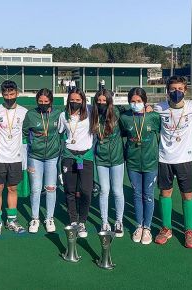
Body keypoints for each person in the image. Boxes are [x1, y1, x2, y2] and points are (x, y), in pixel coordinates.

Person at [154, 76, 192, 248]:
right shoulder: (159, 107)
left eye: (180, 89)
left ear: (185, 90)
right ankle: (166, 228)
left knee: (187, 194)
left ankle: (189, 231)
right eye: (173, 89)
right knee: (165, 193)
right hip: (164, 158)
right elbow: (144, 109)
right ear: (167, 90)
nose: (177, 92)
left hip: (185, 158)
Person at [119, 87, 161, 244]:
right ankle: (139, 225)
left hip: (151, 163)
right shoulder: (125, 118)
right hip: (132, 163)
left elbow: (163, 135)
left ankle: (148, 228)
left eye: (139, 101)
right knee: (137, 194)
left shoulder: (154, 117)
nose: (135, 104)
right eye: (132, 101)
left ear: (145, 102)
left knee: (148, 195)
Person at [0, 80, 28, 237]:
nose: (9, 97)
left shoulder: (24, 112)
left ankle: (11, 220)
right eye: (6, 94)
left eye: (12, 94)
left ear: (17, 93)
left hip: (15, 157)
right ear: (2, 95)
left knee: (12, 189)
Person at [23, 88, 61, 233]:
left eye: (46, 101)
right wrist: (32, 145)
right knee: (36, 188)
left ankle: (49, 217)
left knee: (51, 188)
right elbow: (25, 133)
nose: (43, 104)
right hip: (35, 157)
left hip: (52, 157)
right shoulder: (31, 114)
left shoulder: (58, 114)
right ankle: (35, 218)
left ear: (51, 101)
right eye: (40, 101)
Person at [58, 87, 94, 238]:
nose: (75, 102)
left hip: (85, 157)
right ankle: (74, 220)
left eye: (78, 100)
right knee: (70, 190)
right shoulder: (62, 116)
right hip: (69, 156)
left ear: (83, 101)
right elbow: (60, 134)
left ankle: (82, 221)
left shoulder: (91, 112)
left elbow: (108, 107)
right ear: (68, 100)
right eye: (72, 100)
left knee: (86, 191)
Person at [90, 89, 125, 237]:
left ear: (110, 101)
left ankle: (118, 221)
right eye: (99, 101)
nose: (101, 103)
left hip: (117, 158)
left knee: (117, 190)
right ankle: (104, 221)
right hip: (101, 159)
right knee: (104, 190)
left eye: (104, 100)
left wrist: (147, 107)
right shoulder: (93, 114)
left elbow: (131, 112)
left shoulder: (117, 112)